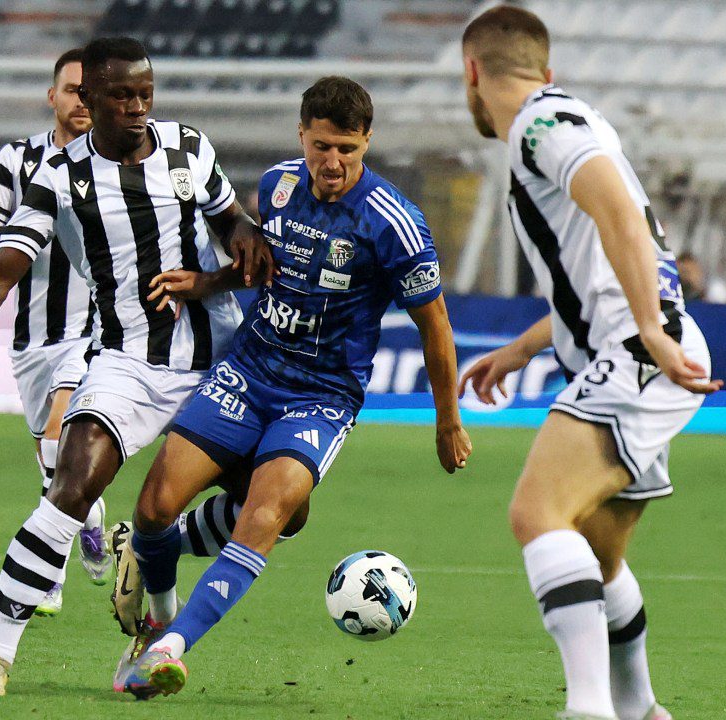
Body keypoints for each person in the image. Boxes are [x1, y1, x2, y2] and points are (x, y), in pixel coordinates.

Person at [0, 37, 273, 697]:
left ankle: (152, 552)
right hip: (127, 362)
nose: (137, 107)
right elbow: (2, 272)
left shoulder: (188, 148)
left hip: (219, 363)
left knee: (277, 511)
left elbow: (234, 224)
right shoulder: (59, 177)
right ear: (89, 99)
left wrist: (234, 252)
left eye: (145, 94)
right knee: (69, 488)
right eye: (121, 96)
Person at [111, 75, 471, 699]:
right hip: (249, 371)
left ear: (367, 142)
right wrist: (209, 283)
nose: (332, 162)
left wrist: (448, 420)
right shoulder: (277, 187)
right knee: (154, 510)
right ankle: (155, 604)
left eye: (347, 150)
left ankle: (169, 647)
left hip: (321, 397)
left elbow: (435, 325)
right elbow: (265, 267)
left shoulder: (396, 224)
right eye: (321, 146)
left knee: (269, 516)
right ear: (301, 134)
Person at [458, 7, 722, 720]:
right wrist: (523, 347)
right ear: (545, 69)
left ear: (472, 71)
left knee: (537, 514)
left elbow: (619, 215)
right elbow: (598, 266)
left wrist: (648, 330)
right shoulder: (565, 118)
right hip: (644, 347)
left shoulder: (541, 125)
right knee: (598, 555)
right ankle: (639, 708)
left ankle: (588, 710)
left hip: (637, 351)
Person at [0, 48, 111, 613]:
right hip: (31, 340)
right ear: (53, 96)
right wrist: (26, 232)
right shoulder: (18, 159)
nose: (82, 101)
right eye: (73, 90)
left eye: (92, 91)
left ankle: (48, 576)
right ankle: (89, 519)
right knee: (56, 465)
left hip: (97, 330)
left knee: (57, 440)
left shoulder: (121, 163)